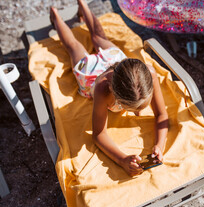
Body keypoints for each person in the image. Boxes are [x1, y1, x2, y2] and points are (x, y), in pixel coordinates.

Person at [50, 0, 168, 176]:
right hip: (90, 74)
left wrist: (159, 145)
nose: (138, 113)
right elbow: (98, 134)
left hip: (115, 62)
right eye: (133, 109)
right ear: (115, 97)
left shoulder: (148, 73)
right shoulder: (102, 89)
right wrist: (121, 159)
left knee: (99, 37)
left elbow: (161, 114)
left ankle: (83, 6)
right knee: (74, 47)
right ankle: (55, 16)